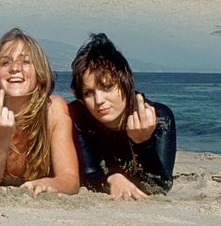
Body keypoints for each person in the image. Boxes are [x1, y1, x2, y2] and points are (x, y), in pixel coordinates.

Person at [0, 28, 79, 195]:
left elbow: (70, 180)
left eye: (26, 61)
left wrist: (49, 183)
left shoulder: (54, 110)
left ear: (39, 72)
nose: (15, 68)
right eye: (5, 63)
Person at [69, 33, 176, 199]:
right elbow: (88, 175)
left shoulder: (158, 117)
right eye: (89, 93)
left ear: (126, 83)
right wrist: (112, 179)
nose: (99, 100)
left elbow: (159, 187)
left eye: (107, 87)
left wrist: (143, 143)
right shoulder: (78, 117)